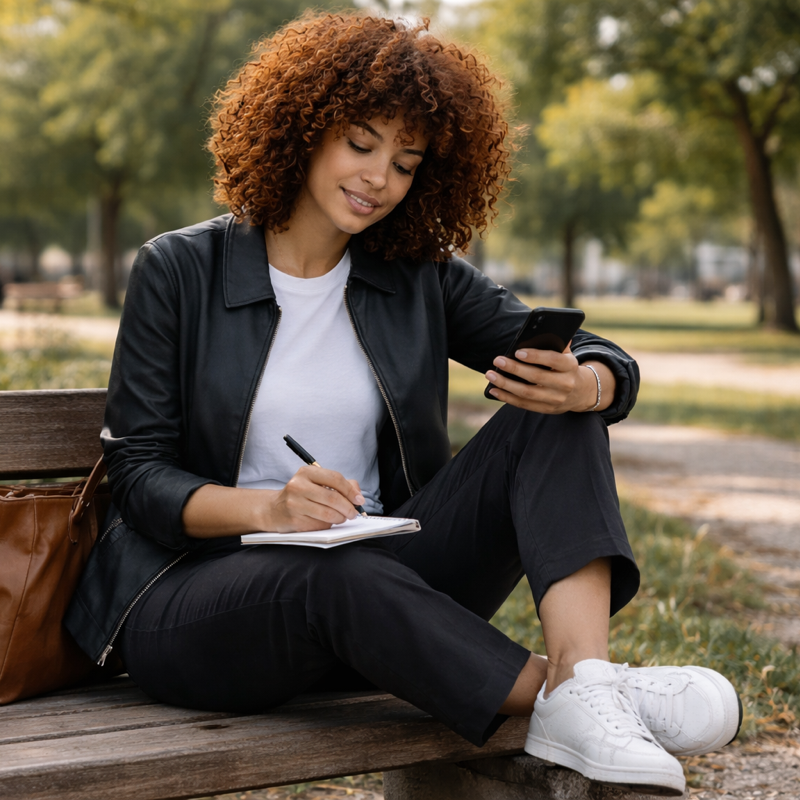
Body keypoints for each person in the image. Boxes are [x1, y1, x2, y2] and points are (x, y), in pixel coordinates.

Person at [63, 11, 739, 796]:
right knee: (333, 572)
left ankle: (587, 677)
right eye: (360, 143)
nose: (379, 177)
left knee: (554, 411)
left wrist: (593, 382)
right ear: (302, 129)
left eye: (407, 161)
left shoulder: (414, 275)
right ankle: (569, 697)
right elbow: (138, 477)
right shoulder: (179, 270)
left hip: (388, 589)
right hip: (194, 601)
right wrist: (269, 513)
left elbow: (583, 354)